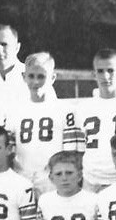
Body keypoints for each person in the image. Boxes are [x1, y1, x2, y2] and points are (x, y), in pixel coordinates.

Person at [5, 51, 84, 195]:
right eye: (31, 76)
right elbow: (8, 151)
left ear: (52, 77)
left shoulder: (66, 111)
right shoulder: (14, 111)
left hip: (53, 180)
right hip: (21, 176)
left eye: (41, 76)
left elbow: (72, 153)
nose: (36, 82)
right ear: (24, 77)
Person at [75, 49, 116, 192]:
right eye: (100, 71)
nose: (105, 76)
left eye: (111, 70)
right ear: (94, 74)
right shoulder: (82, 108)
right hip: (90, 181)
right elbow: (79, 151)